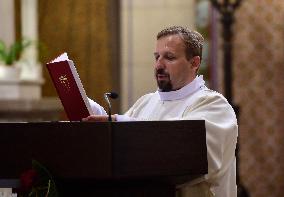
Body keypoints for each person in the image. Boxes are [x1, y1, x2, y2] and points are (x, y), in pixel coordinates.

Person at [84, 26, 238, 197]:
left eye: (169, 57)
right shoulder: (147, 101)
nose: (159, 65)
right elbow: (122, 140)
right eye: (157, 57)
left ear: (194, 63)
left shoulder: (213, 104)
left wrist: (121, 122)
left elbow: (194, 156)